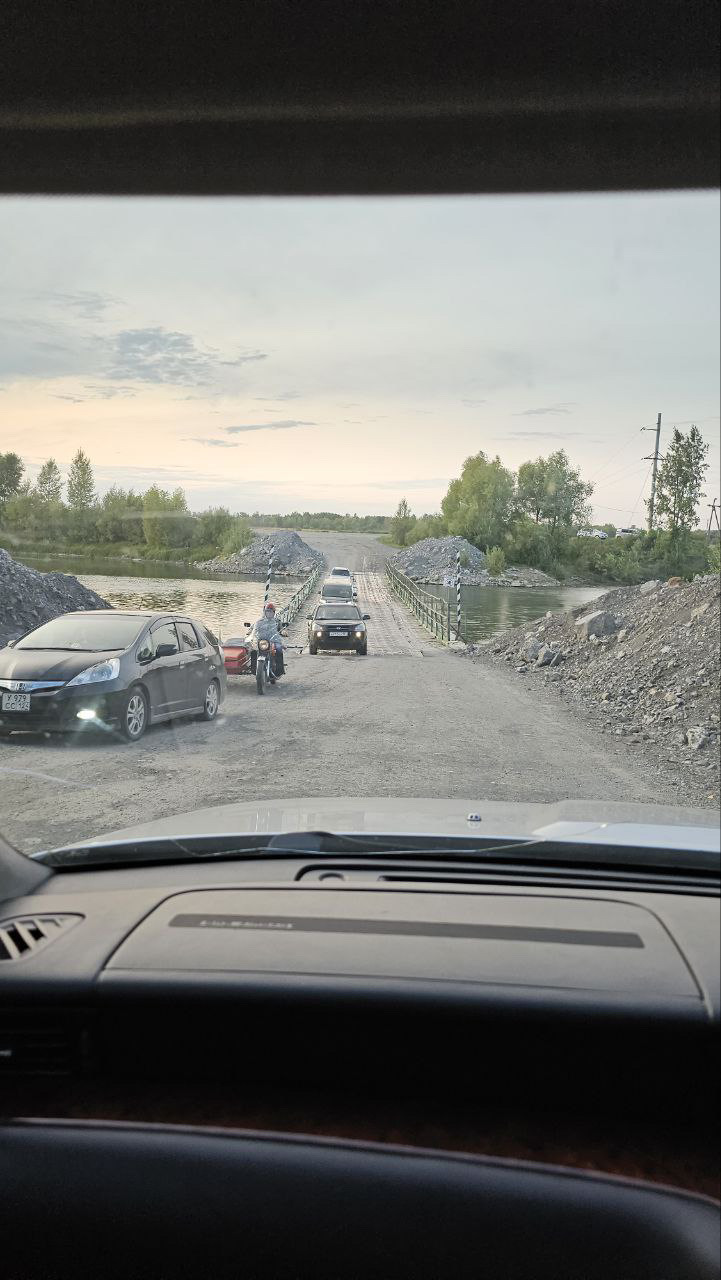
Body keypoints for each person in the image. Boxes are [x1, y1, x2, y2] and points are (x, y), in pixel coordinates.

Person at [245, 602, 285, 677]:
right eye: (267, 611)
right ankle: (254, 669)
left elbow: (281, 628)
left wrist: (283, 631)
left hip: (273, 641)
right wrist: (249, 632)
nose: (269, 613)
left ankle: (279, 671)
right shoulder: (259, 621)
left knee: (279, 649)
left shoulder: (277, 621)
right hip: (261, 641)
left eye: (270, 611)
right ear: (265, 612)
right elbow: (253, 628)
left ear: (273, 612)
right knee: (253, 651)